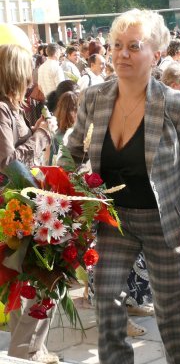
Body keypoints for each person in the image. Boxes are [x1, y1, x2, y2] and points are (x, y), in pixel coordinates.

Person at [62, 9, 180, 364]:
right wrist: (57, 193)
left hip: (162, 222)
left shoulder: (177, 105)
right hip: (113, 220)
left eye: (134, 46)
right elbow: (71, 153)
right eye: (116, 45)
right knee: (107, 300)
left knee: (171, 307)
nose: (122, 54)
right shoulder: (94, 98)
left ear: (156, 54)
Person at [0, 44, 56, 363]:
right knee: (41, 282)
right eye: (28, 72)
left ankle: (32, 350)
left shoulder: (11, 107)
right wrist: (42, 136)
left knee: (25, 285)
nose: (31, 79)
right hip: (12, 212)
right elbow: (7, 163)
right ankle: (23, 354)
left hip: (18, 208)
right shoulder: (2, 109)